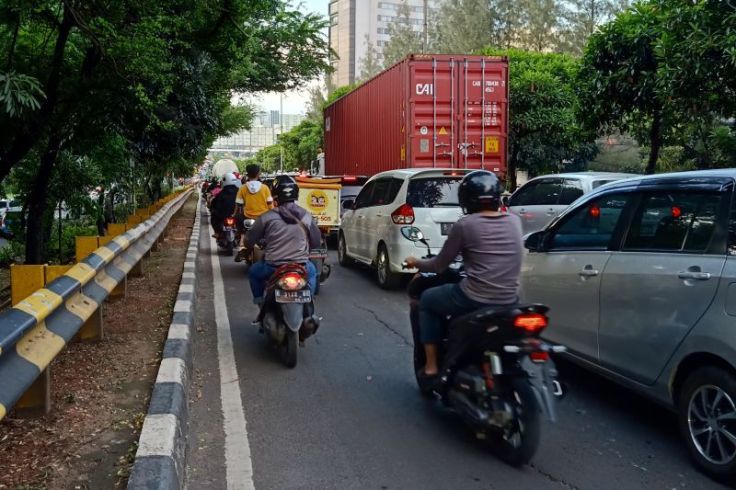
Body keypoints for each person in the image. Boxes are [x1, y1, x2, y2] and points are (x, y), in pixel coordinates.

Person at [404, 170, 523, 378]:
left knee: (428, 301)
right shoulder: (514, 221)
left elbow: (439, 265)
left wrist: (416, 262)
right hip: (509, 299)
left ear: (467, 200)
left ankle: (431, 365)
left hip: (475, 297)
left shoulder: (465, 225)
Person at [247, 176, 321, 305]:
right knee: (313, 272)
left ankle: (260, 302)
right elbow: (316, 242)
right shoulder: (307, 216)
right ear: (296, 194)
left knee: (253, 272)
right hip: (301, 265)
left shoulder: (266, 217)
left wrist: (250, 244)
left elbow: (249, 240)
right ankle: (310, 302)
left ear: (275, 196)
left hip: (272, 266)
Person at [234, 164, 273, 262]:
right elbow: (270, 204)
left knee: (239, 224)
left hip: (247, 217)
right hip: (264, 218)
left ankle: (241, 241)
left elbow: (238, 204)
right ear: (258, 174)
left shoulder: (243, 188)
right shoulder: (265, 188)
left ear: (247, 174)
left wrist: (234, 214)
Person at [210, 173, 240, 238]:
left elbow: (214, 203)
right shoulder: (239, 191)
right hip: (237, 215)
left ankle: (217, 233)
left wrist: (212, 208)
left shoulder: (221, 193)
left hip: (223, 216)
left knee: (213, 218)